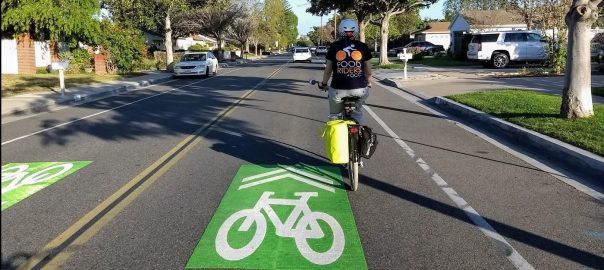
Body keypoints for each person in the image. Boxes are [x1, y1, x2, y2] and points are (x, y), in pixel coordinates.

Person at [319, 18, 373, 124]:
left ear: (340, 30)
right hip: (360, 90)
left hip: (338, 89)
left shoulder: (334, 46)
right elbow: (368, 71)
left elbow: (328, 71)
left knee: (335, 116)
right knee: (357, 113)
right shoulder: (363, 46)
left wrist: (324, 83)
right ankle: (361, 135)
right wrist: (369, 82)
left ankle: (337, 135)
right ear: (356, 30)